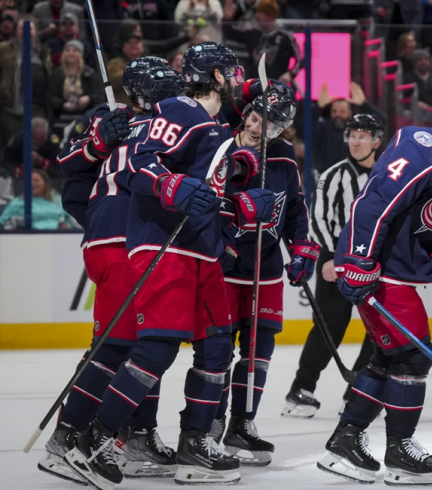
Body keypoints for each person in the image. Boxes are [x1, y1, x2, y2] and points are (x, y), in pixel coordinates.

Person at [64, 42, 276, 488]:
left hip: (203, 250)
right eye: (233, 74)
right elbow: (137, 165)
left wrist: (239, 211)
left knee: (218, 344)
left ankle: (195, 443)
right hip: (166, 247)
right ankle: (97, 438)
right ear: (216, 77)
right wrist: (172, 186)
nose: (238, 81)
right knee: (157, 347)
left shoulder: (216, 127)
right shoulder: (181, 110)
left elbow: (207, 201)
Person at [317, 85, 432, 486]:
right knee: (414, 357)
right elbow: (373, 204)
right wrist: (359, 261)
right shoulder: (423, 147)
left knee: (390, 356)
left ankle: (344, 441)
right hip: (379, 273)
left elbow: (425, 224)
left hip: (392, 273)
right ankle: (400, 450)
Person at [45, 61, 184, 486]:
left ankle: (133, 433)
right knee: (118, 347)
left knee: (143, 342)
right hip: (118, 239)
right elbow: (68, 162)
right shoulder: (113, 117)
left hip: (131, 239)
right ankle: (69, 437)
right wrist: (98, 139)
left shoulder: (158, 125)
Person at [213, 84, 319, 466]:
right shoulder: (220, 145)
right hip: (224, 266)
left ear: (282, 130)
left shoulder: (284, 157)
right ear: (247, 112)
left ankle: (242, 423)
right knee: (217, 350)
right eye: (257, 119)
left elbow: (294, 208)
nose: (260, 129)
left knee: (259, 351)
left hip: (266, 269)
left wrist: (302, 246)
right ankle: (208, 426)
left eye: (271, 126)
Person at [284, 114, 383, 418]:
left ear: (376, 141)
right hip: (338, 266)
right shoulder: (333, 175)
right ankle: (301, 390)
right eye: (352, 135)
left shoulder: (386, 176)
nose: (355, 141)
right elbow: (320, 219)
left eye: (363, 136)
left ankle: (359, 393)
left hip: (376, 267)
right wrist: (328, 258)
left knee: (379, 332)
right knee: (329, 328)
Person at [0, 169, 73, 229]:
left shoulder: (57, 200)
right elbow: (2, 222)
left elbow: (70, 221)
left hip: (56, 238)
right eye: (29, 180)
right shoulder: (18, 202)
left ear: (45, 183)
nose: (32, 183)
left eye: (36, 180)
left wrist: (67, 226)